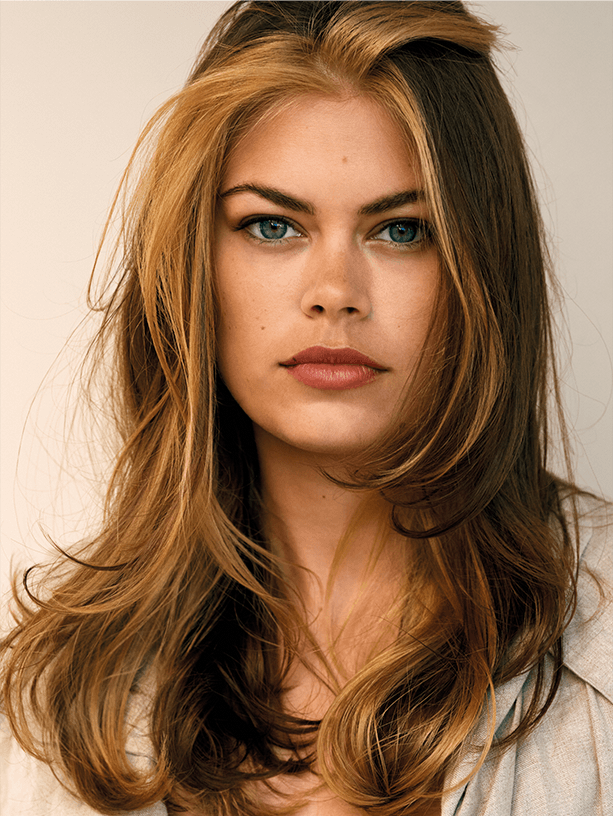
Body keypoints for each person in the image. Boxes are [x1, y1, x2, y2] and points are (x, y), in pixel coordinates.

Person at [1, 1, 611, 814]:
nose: (334, 294)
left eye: (400, 231)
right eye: (272, 225)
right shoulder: (61, 686)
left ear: (481, 268)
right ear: (192, 267)